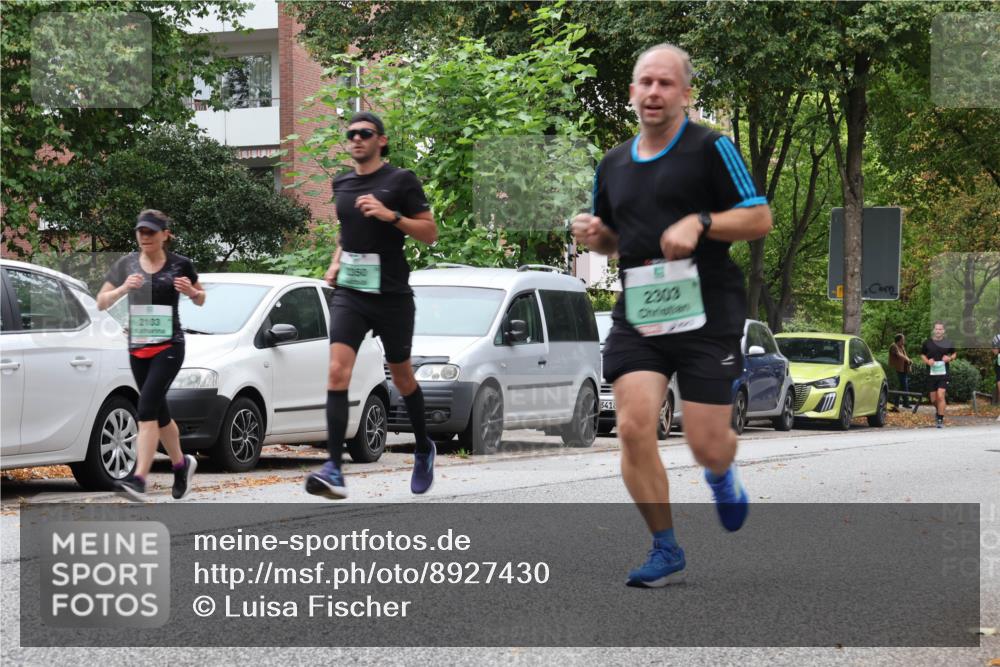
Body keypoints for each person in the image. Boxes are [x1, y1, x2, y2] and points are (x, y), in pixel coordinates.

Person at [571, 44, 773, 588]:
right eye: (645, 82)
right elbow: (616, 240)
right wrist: (598, 237)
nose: (654, 92)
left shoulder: (711, 148)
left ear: (685, 93)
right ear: (632, 91)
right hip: (641, 307)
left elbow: (759, 217)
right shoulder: (613, 163)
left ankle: (721, 473)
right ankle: (665, 548)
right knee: (634, 427)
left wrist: (701, 222)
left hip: (708, 310)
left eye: (666, 83)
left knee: (706, 442)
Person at [305, 111, 439, 500]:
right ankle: (333, 468)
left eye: (365, 133)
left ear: (381, 140)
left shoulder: (401, 181)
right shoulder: (342, 183)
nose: (357, 139)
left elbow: (429, 233)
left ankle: (422, 446)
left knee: (402, 377)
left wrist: (391, 215)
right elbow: (348, 234)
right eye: (351, 134)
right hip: (352, 292)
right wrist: (335, 261)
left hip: (393, 296)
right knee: (335, 370)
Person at [96, 210, 205, 501]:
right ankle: (181, 464)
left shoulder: (181, 264)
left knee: (145, 408)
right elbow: (101, 301)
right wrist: (123, 288)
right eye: (141, 232)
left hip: (170, 346)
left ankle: (139, 478)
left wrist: (191, 291)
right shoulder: (127, 264)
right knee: (159, 412)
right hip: (138, 347)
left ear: (165, 235)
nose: (145, 237)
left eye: (151, 232)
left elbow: (202, 297)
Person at [920, 321, 957, 428]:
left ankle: (940, 419)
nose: (938, 331)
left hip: (943, 374)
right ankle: (939, 410)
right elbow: (922, 355)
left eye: (940, 329)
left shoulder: (948, 342)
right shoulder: (927, 343)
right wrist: (927, 361)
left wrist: (949, 358)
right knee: (933, 400)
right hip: (931, 373)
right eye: (936, 329)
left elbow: (954, 353)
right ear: (933, 330)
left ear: (944, 331)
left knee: (940, 395)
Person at [888, 333, 913, 408]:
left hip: (902, 370)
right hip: (895, 370)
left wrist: (909, 362)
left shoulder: (902, 347)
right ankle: (896, 404)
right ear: (899, 340)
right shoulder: (893, 346)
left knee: (904, 387)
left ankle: (905, 403)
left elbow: (905, 356)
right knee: (897, 387)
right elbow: (899, 354)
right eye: (903, 339)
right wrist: (907, 359)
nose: (904, 341)